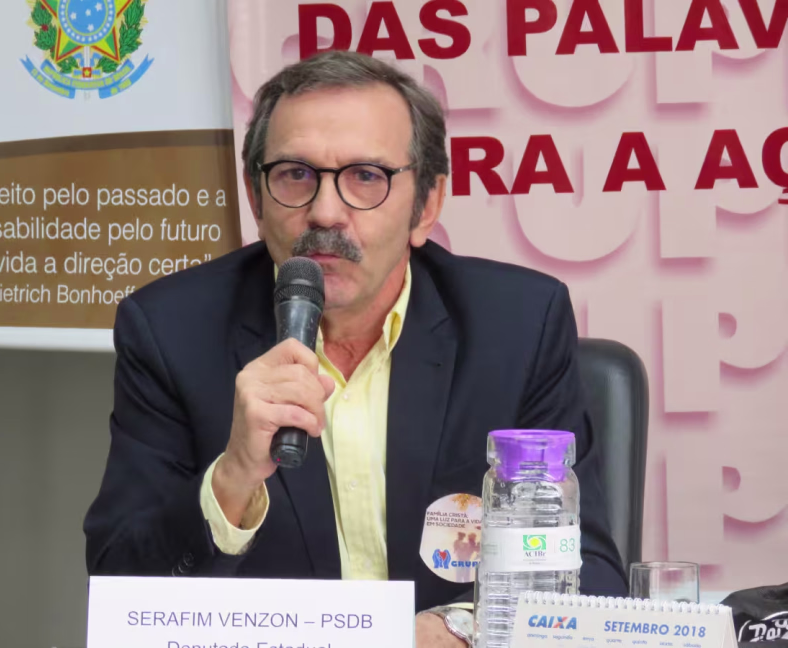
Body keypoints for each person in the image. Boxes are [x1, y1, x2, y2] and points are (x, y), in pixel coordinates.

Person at [84, 50, 627, 647]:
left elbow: (587, 576)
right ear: (256, 199)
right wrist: (233, 477)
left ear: (426, 206)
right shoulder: (171, 331)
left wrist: (458, 629)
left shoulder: (517, 325)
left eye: (366, 176)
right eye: (295, 174)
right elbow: (119, 588)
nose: (324, 212)